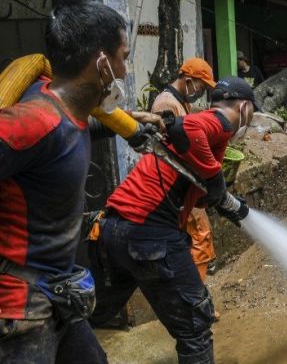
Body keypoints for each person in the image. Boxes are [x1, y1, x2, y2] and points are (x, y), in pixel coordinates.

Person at [0, 0, 163, 363]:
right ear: (102, 63)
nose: (125, 67)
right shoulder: (30, 122)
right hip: (21, 308)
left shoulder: (62, 112)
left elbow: (64, 139)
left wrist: (128, 122)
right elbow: (46, 138)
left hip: (57, 291)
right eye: (124, 55)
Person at [89, 76, 257, 364]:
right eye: (253, 111)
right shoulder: (220, 122)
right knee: (196, 329)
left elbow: (187, 177)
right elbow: (189, 128)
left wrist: (212, 193)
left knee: (94, 316)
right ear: (243, 106)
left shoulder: (202, 125)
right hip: (149, 234)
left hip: (110, 230)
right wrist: (215, 180)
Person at [151, 58, 219, 283]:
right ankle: (197, 302)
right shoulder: (165, 104)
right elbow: (165, 148)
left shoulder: (180, 101)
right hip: (176, 184)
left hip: (185, 182)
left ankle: (196, 299)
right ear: (188, 80)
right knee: (200, 237)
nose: (201, 92)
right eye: (201, 87)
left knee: (195, 240)